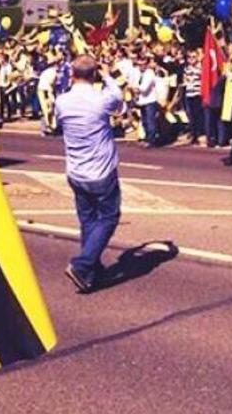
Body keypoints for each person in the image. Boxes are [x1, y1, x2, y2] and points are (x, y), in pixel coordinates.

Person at [55, 54, 124, 293]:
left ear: (72, 75)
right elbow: (118, 96)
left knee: (88, 220)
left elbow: (57, 124)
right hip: (101, 171)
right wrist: (106, 74)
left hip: (76, 170)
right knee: (108, 217)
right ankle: (82, 265)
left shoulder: (62, 101)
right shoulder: (101, 99)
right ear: (94, 75)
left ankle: (91, 271)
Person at [133, 57, 160, 147]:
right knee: (144, 121)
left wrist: (136, 88)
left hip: (150, 100)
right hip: (141, 101)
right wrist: (135, 88)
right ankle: (147, 138)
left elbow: (144, 88)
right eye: (140, 64)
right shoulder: (137, 72)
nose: (141, 66)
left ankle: (152, 140)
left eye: (143, 64)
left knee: (150, 121)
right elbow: (132, 83)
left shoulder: (150, 73)